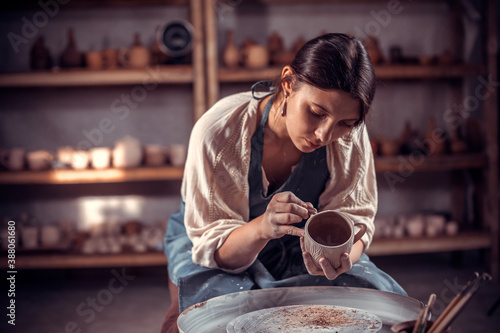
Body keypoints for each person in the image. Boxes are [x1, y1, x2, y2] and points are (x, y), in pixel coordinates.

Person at [161, 33, 406, 333]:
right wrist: (263, 227)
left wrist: (340, 260)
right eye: (317, 113)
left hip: (301, 247)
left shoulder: (350, 138)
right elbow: (217, 249)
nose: (324, 135)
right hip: (218, 244)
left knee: (380, 309)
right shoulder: (220, 131)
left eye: (345, 123)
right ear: (288, 84)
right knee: (219, 319)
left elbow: (353, 221)